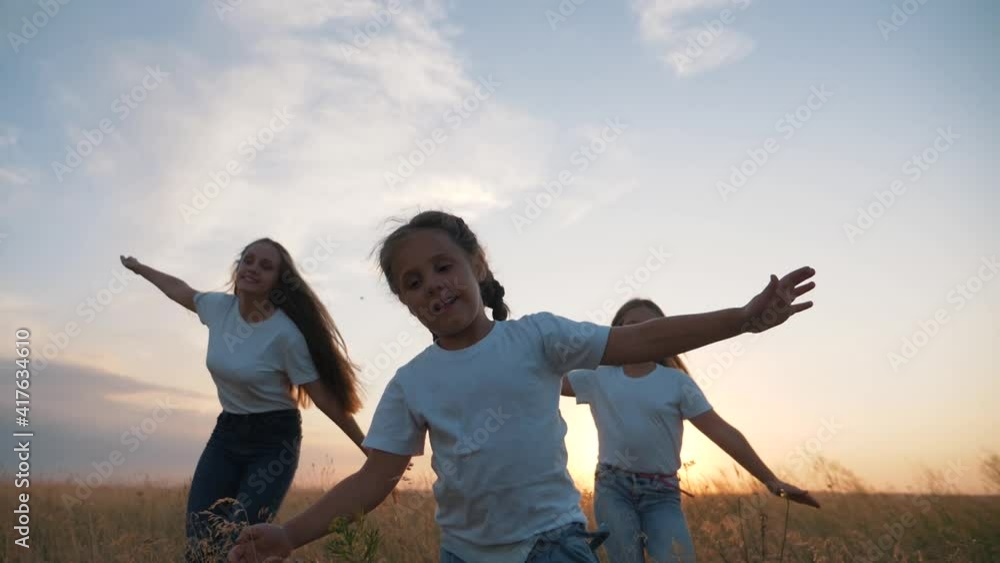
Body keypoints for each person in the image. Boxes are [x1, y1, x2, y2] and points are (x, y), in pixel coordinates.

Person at [227, 211, 817, 563]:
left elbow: (641, 340)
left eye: (443, 267)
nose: (433, 285)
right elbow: (373, 479)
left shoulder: (538, 337)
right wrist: (288, 534)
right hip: (463, 554)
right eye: (413, 281)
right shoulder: (411, 384)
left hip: (553, 546)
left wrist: (742, 319)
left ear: (477, 265)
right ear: (404, 301)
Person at [120, 237, 366, 561]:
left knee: (242, 544)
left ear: (278, 280)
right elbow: (179, 289)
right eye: (248, 260)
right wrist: (140, 269)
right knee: (200, 539)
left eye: (266, 266)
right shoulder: (218, 308)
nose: (253, 269)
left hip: (274, 442)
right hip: (227, 434)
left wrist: (368, 447)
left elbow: (322, 397)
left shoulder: (285, 335)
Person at [562, 298, 820, 563]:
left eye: (650, 327)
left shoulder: (677, 383)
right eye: (629, 326)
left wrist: (770, 480)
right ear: (617, 333)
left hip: (661, 493)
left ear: (666, 335)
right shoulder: (597, 377)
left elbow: (721, 430)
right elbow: (546, 381)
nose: (640, 334)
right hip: (613, 489)